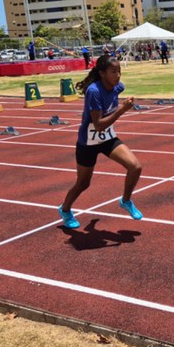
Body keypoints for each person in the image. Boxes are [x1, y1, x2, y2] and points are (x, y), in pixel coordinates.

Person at [57, 54, 144, 229]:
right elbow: (97, 125)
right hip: (88, 141)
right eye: (113, 72)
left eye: (119, 71)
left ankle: (125, 201)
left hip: (107, 138)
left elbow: (105, 125)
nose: (118, 76)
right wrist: (122, 110)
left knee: (135, 167)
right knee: (83, 183)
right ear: (102, 73)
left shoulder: (118, 87)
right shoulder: (94, 92)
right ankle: (65, 209)